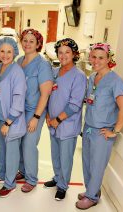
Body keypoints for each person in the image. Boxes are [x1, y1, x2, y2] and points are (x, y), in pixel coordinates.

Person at [76, 43, 123, 210]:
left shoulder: (115, 81)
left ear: (108, 59)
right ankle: (92, 191)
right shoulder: (92, 77)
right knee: (86, 163)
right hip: (89, 128)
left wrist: (115, 131)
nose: (96, 61)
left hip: (102, 132)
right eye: (94, 57)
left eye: (101, 57)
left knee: (97, 165)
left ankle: (92, 197)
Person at [44, 38, 87, 201]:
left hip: (67, 125)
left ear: (74, 54)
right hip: (52, 123)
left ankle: (62, 186)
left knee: (66, 156)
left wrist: (57, 120)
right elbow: (48, 95)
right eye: (60, 52)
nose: (63, 56)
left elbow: (75, 104)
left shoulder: (79, 76)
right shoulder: (54, 72)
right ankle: (57, 178)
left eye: (67, 52)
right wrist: (48, 115)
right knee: (55, 154)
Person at [0, 37, 27, 197]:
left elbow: (18, 100)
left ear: (14, 53)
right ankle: (0, 174)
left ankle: (10, 184)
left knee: (11, 153)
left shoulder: (17, 72)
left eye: (9, 51)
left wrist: (8, 122)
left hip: (11, 121)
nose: (5, 55)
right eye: (2, 51)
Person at [16, 29, 54, 193]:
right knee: (19, 142)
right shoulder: (19, 61)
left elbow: (45, 94)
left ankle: (31, 179)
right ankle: (22, 171)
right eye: (25, 40)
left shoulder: (42, 64)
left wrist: (36, 117)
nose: (27, 44)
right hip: (19, 110)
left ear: (39, 44)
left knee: (29, 144)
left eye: (32, 41)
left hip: (34, 110)